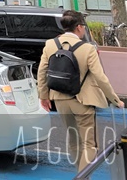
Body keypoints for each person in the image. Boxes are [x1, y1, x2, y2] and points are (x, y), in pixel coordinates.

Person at [38, 9, 124, 173]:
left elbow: (42, 72)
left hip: (60, 99)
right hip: (82, 101)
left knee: (73, 140)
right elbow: (100, 77)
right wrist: (114, 99)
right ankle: (83, 177)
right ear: (78, 27)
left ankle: (81, 173)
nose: (84, 29)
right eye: (83, 26)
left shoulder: (50, 45)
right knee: (89, 144)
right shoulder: (87, 48)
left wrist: (44, 96)